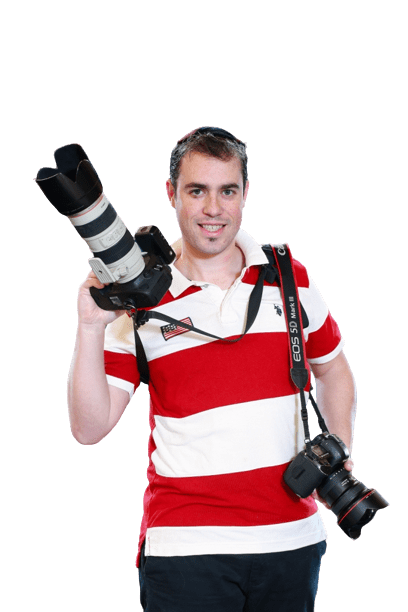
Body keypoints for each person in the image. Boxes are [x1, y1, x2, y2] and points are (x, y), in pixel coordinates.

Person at [67, 127, 357, 611]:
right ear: (171, 193)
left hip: (292, 540)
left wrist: (339, 448)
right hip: (186, 548)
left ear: (245, 193)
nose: (213, 209)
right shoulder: (138, 298)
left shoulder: (289, 276)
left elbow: (334, 370)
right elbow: (89, 428)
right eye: (197, 190)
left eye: (228, 191)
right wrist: (90, 326)